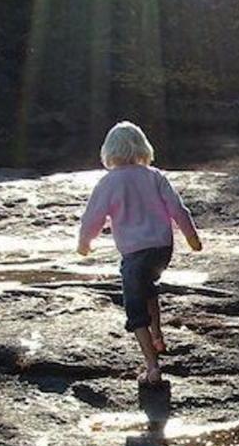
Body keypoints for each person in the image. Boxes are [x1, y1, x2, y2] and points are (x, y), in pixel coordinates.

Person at [77, 121, 202, 384]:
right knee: (149, 287)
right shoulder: (155, 176)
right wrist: (192, 238)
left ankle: (152, 367)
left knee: (135, 311)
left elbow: (92, 218)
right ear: (143, 147)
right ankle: (157, 337)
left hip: (134, 255)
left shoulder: (109, 182)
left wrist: (84, 243)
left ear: (108, 151)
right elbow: (178, 209)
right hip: (161, 250)